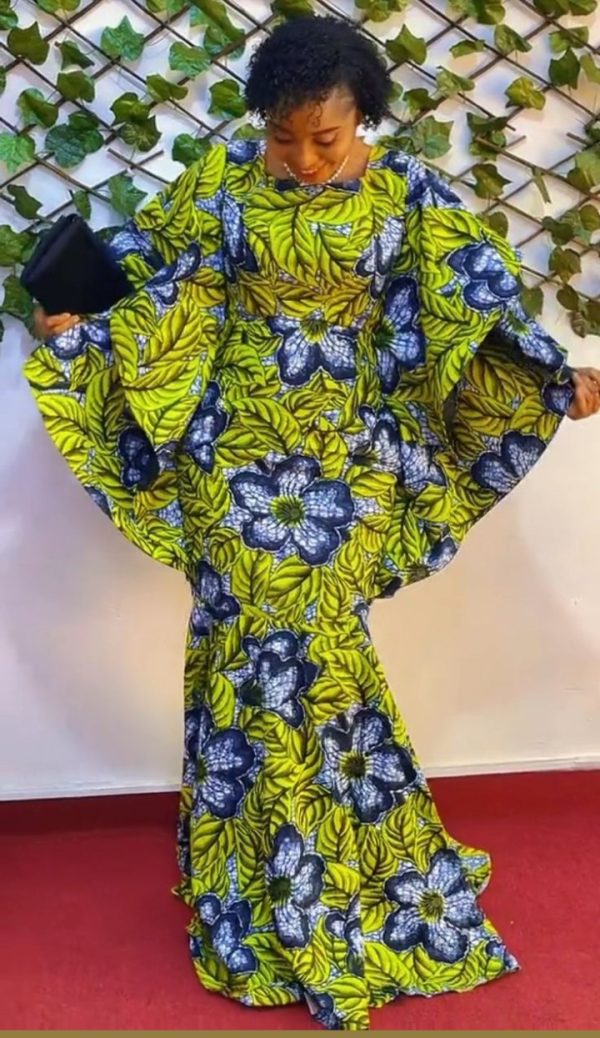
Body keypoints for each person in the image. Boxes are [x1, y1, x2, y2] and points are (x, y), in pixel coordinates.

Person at [27, 14, 599, 1032]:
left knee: (305, 641)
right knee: (251, 636)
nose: (300, 158)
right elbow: (148, 271)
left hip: (348, 455)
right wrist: (80, 320)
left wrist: (552, 376)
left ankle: (314, 867)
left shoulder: (409, 196)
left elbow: (476, 302)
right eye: (282, 137)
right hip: (231, 452)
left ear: (361, 117)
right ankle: (259, 870)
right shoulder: (220, 184)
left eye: (323, 138)